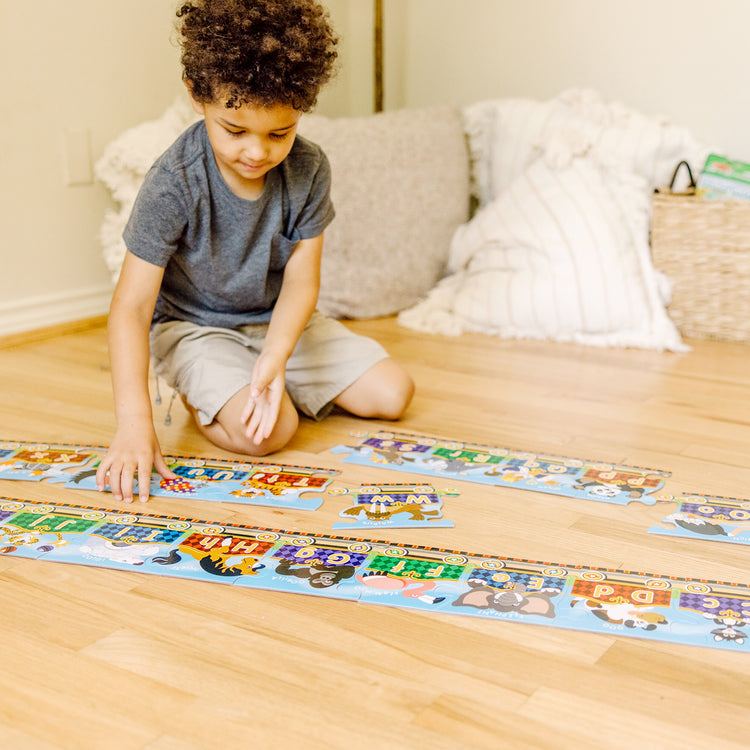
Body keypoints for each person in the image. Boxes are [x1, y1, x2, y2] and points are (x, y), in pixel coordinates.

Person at [96, 0, 414, 504]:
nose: (256, 152)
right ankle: (202, 389)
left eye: (279, 133)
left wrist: (276, 355)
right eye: (235, 130)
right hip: (195, 327)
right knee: (268, 433)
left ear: (303, 108)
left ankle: (255, 381)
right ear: (198, 97)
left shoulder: (310, 168)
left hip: (276, 323)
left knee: (393, 394)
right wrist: (134, 425)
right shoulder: (173, 181)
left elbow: (302, 280)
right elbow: (130, 307)